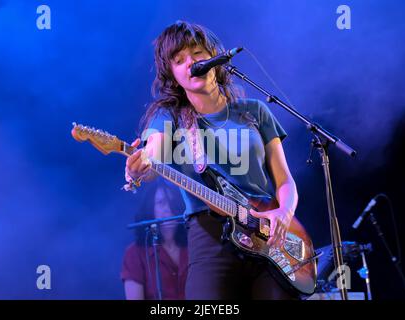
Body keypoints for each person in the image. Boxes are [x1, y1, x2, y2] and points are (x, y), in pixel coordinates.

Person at [124, 21, 299, 299]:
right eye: (179, 60)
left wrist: (284, 212)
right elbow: (153, 153)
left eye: (196, 53)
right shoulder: (169, 116)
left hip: (269, 237)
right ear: (172, 75)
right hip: (210, 238)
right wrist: (139, 167)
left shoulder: (255, 112)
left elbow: (284, 179)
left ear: (215, 57)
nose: (190, 63)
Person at [121, 181, 188, 300]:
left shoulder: (193, 246)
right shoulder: (135, 253)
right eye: (161, 203)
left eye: (172, 202)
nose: (168, 209)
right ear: (150, 208)